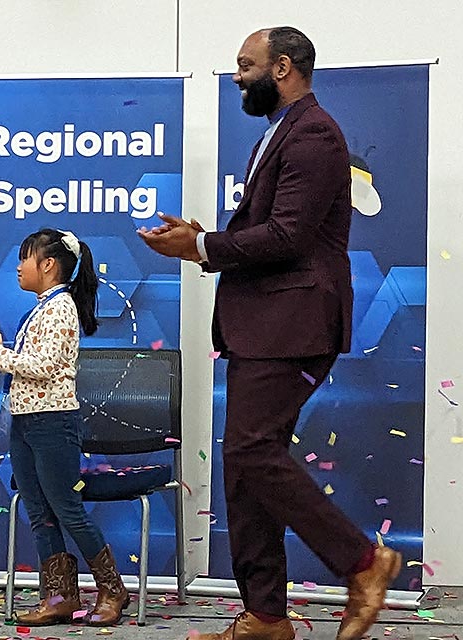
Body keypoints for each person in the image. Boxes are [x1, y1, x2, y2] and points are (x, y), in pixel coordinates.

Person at [138, 27, 400, 640]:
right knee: (243, 465)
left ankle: (364, 563)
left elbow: (289, 237)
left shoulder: (313, 133)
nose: (236, 77)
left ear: (282, 67)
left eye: (245, 65)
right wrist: (203, 237)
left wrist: (200, 246)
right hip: (264, 325)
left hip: (293, 324)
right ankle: (264, 616)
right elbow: (272, 230)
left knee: (252, 452)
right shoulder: (283, 130)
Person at [0, 228, 128, 626]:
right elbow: (27, 363)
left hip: (53, 423)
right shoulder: (42, 307)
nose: (19, 267)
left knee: (67, 509)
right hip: (25, 423)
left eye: (26, 259)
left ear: (49, 265)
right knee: (39, 512)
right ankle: (59, 597)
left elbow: (44, 367)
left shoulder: (61, 308)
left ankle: (112, 589)